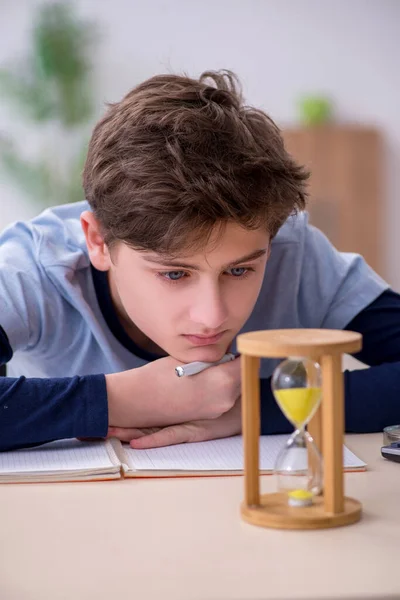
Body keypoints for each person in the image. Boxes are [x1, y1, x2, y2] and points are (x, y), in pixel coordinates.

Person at [0, 70, 399, 453]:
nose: (212, 317)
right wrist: (120, 400)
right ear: (98, 242)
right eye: (174, 273)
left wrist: (248, 408)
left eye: (240, 270)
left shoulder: (293, 250)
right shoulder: (32, 266)